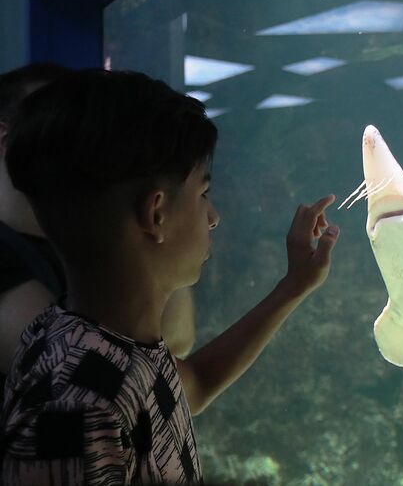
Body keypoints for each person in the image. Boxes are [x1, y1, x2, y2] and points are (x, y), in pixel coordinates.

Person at [0, 68, 340, 484]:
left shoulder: (97, 340)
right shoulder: (77, 410)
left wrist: (293, 287)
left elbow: (189, 385)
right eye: (202, 193)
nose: (213, 217)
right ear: (156, 214)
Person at [0, 65, 198, 402]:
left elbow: (175, 344)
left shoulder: (89, 235)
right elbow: (107, 382)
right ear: (7, 140)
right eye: (64, 123)